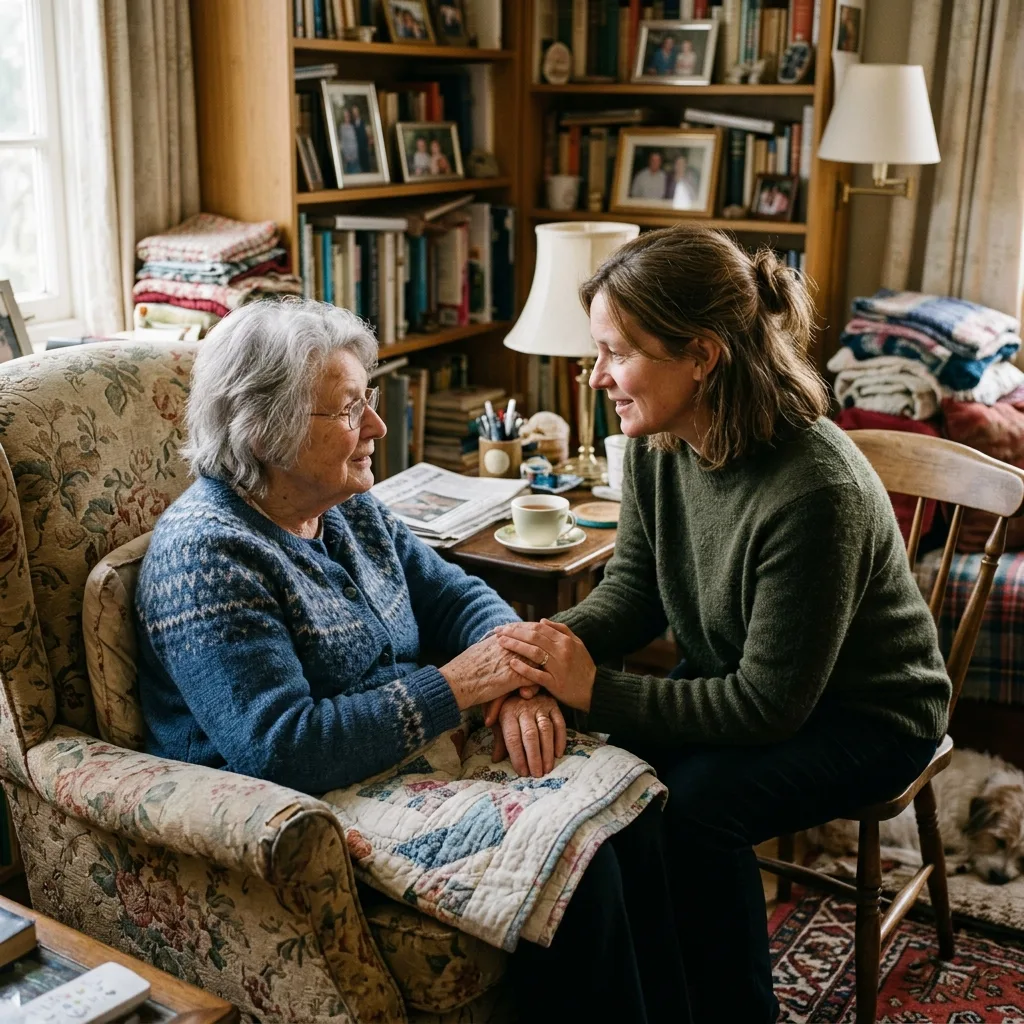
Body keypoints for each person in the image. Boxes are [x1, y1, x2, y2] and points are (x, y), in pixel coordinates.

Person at [134, 298, 690, 1024]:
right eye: (349, 409)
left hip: (407, 761)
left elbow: (457, 596)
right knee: (578, 870)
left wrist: (516, 681)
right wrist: (460, 685)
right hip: (304, 800)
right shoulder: (208, 555)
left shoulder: (345, 506)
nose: (377, 425)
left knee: (637, 813)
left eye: (367, 400)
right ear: (265, 430)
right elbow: (282, 746)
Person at [487, 227, 951, 1023]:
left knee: (696, 812)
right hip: (743, 682)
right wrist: (538, 655)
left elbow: (768, 708)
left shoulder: (815, 490)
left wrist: (594, 689)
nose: (597, 376)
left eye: (616, 353)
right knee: (609, 782)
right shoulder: (660, 444)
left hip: (869, 717)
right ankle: (657, 999)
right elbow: (633, 593)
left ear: (701, 355)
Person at [338, 107, 361, 174]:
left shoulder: (352, 126)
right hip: (348, 157)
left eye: (348, 116)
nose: (347, 117)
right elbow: (343, 142)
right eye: (345, 116)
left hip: (356, 155)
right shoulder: (342, 127)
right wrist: (346, 156)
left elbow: (356, 140)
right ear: (343, 117)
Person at [350, 104, 372, 172]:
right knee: (360, 166)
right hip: (357, 148)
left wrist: (369, 142)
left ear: (358, 112)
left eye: (356, 112)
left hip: (364, 146)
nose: (355, 114)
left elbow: (368, 133)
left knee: (366, 165)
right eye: (353, 112)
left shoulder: (363, 121)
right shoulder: (352, 124)